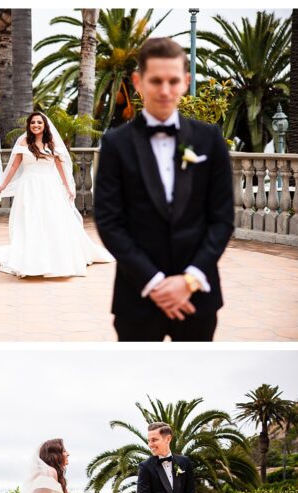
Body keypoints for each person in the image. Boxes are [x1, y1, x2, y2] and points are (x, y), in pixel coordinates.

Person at [93, 37, 235, 342]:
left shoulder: (210, 139)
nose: (165, 90)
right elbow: (109, 222)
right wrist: (155, 283)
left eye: (173, 81)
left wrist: (189, 280)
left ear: (186, 82)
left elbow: (222, 219)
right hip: (137, 297)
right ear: (138, 81)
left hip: (198, 296)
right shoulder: (115, 144)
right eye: (156, 81)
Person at [0, 112, 114, 277]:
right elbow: (14, 166)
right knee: (31, 219)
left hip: (50, 187)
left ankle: (55, 257)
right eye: (33, 122)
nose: (36, 125)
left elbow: (60, 165)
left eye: (39, 123)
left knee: (52, 219)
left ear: (44, 125)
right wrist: (3, 184)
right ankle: (31, 259)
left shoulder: (52, 143)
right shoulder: (23, 141)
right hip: (29, 186)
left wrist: (68, 186)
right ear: (29, 125)